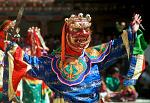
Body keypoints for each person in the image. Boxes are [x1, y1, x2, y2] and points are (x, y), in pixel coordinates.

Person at [1, 13, 147, 102]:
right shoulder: (51, 64)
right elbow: (25, 60)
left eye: (86, 30)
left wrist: (132, 32)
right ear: (66, 34)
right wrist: (9, 46)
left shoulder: (95, 55)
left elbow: (117, 46)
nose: (83, 34)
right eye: (77, 30)